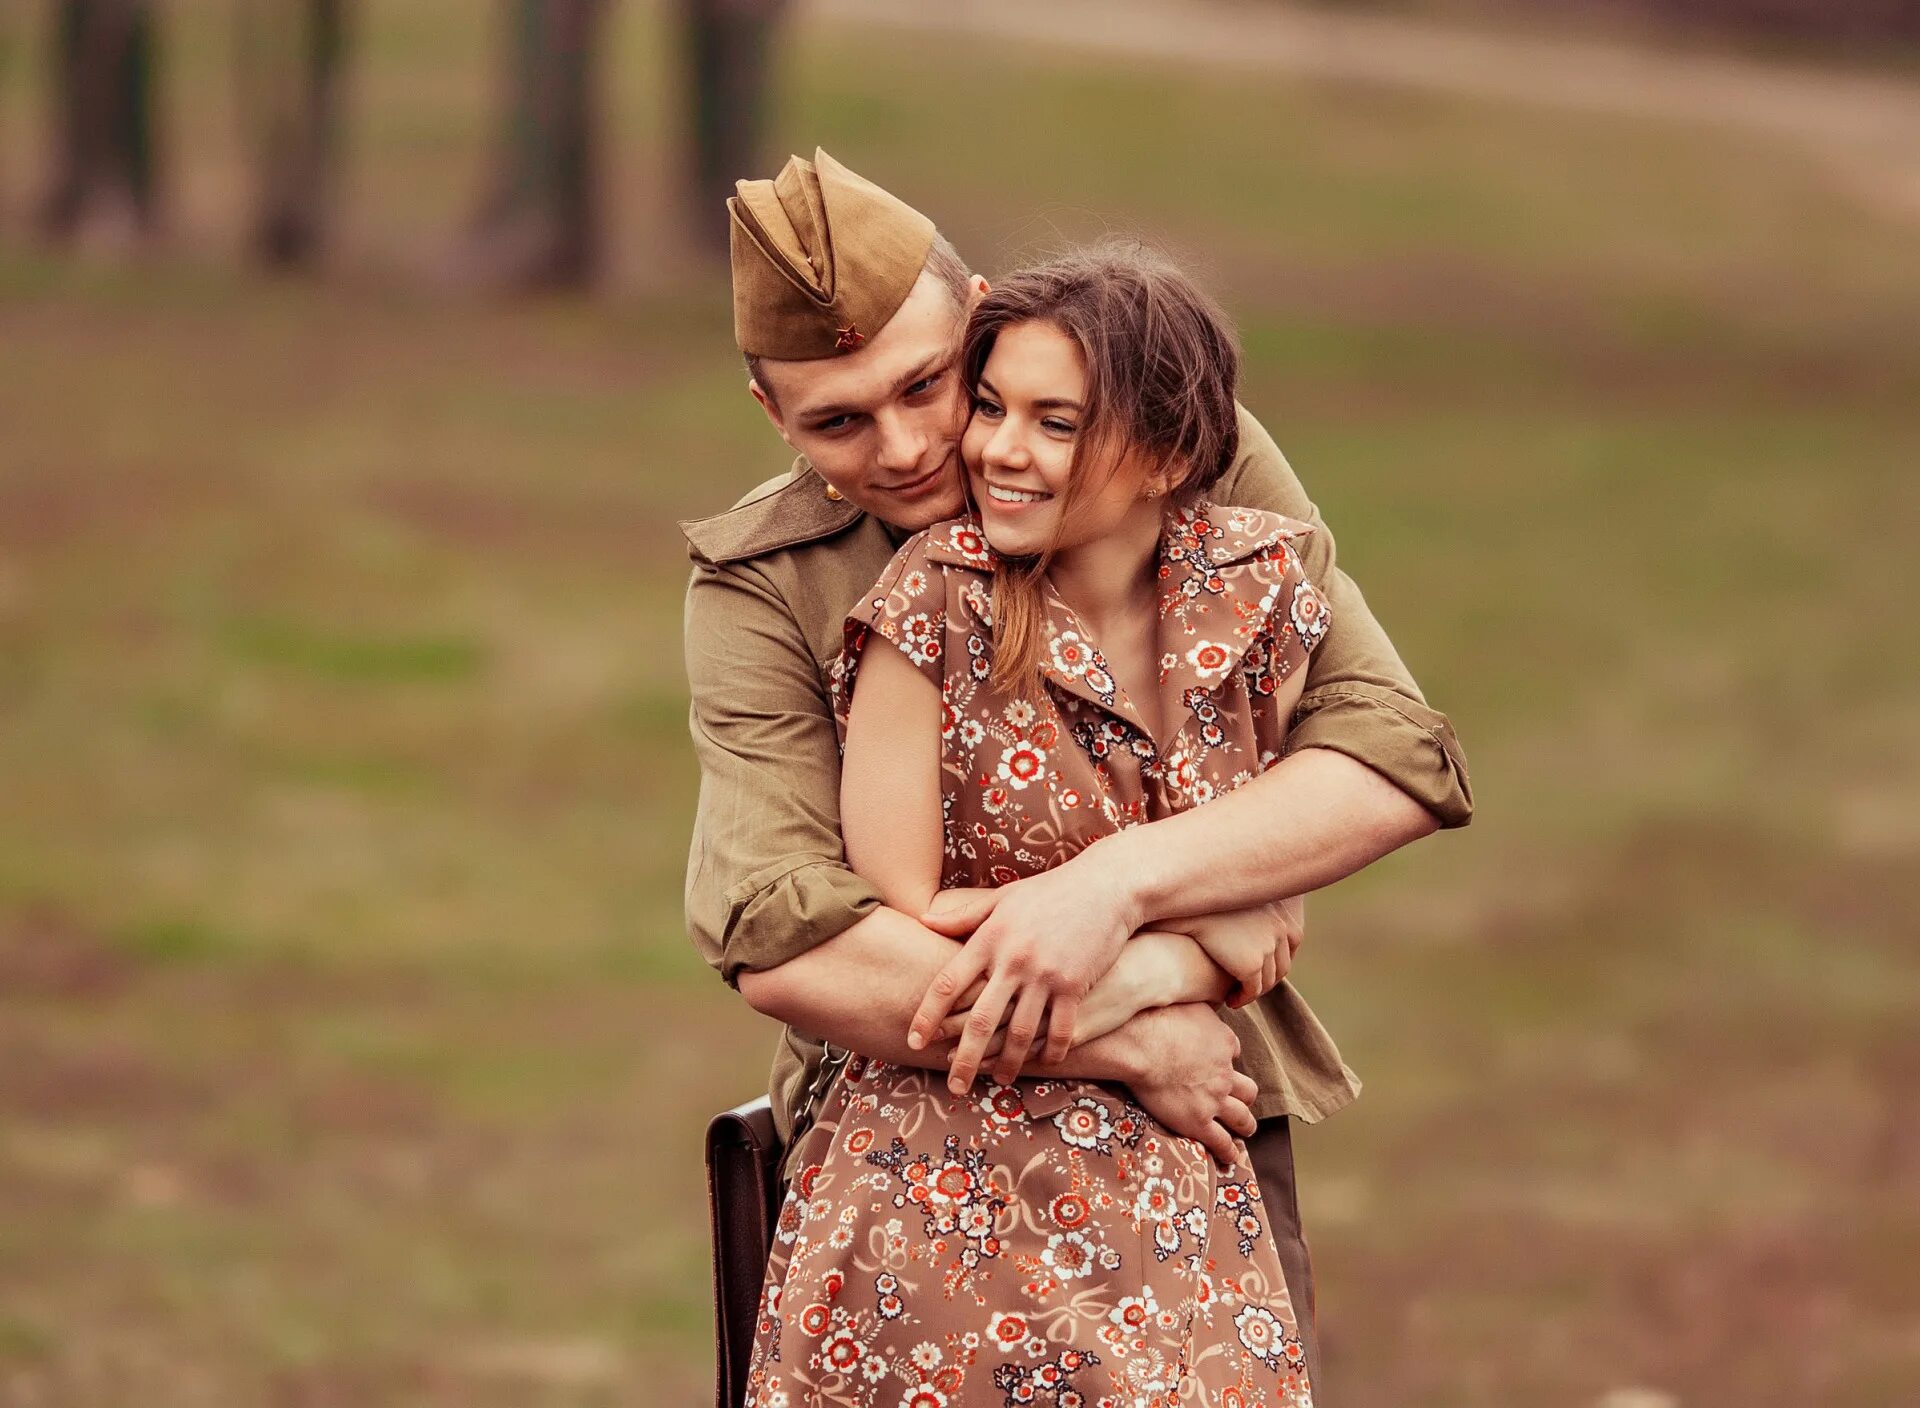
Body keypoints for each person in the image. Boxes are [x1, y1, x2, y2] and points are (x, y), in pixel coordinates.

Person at [683, 151, 1473, 1389]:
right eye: (837, 419)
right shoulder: (763, 581)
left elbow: (1384, 749)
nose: (908, 446)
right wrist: (1130, 1022)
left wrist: (1120, 890)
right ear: (770, 416)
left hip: (1196, 1126)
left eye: (930, 384)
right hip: (921, 1152)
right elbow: (784, 931)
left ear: (985, 318)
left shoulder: (1162, 436)